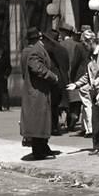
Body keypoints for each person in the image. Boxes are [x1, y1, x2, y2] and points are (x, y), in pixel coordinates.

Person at [67, 30, 99, 156]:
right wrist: (76, 84)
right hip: (94, 91)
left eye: (85, 43)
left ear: (90, 42)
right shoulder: (91, 57)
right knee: (96, 121)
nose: (84, 46)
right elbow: (87, 76)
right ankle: (97, 145)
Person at [20, 27, 60, 160]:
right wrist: (52, 76)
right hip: (36, 93)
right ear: (46, 41)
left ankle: (43, 147)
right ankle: (38, 150)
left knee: (42, 121)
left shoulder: (40, 49)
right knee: (38, 122)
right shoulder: (36, 51)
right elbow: (36, 67)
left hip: (41, 91)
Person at [42, 30, 70, 135]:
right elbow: (67, 66)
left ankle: (53, 126)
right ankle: (59, 125)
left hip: (54, 80)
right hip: (62, 79)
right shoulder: (63, 50)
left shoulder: (50, 51)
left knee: (52, 105)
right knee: (58, 104)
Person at [59, 23, 85, 131]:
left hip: (64, 74)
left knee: (66, 99)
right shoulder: (77, 45)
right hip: (76, 75)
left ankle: (68, 118)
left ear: (63, 32)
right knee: (76, 99)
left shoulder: (60, 45)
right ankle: (74, 115)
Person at [0, 45, 11, 111]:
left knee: (4, 92)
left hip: (3, 77)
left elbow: (9, 67)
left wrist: (6, 75)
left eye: (0, 50)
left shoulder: (5, 58)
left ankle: (6, 105)